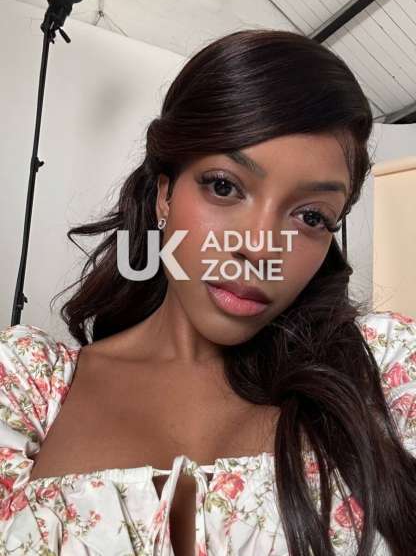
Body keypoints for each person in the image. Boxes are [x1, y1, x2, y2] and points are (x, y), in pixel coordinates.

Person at [0, 29, 415, 556]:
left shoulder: (385, 371)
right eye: (224, 186)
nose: (260, 249)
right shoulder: (24, 386)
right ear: (165, 194)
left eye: (311, 216)